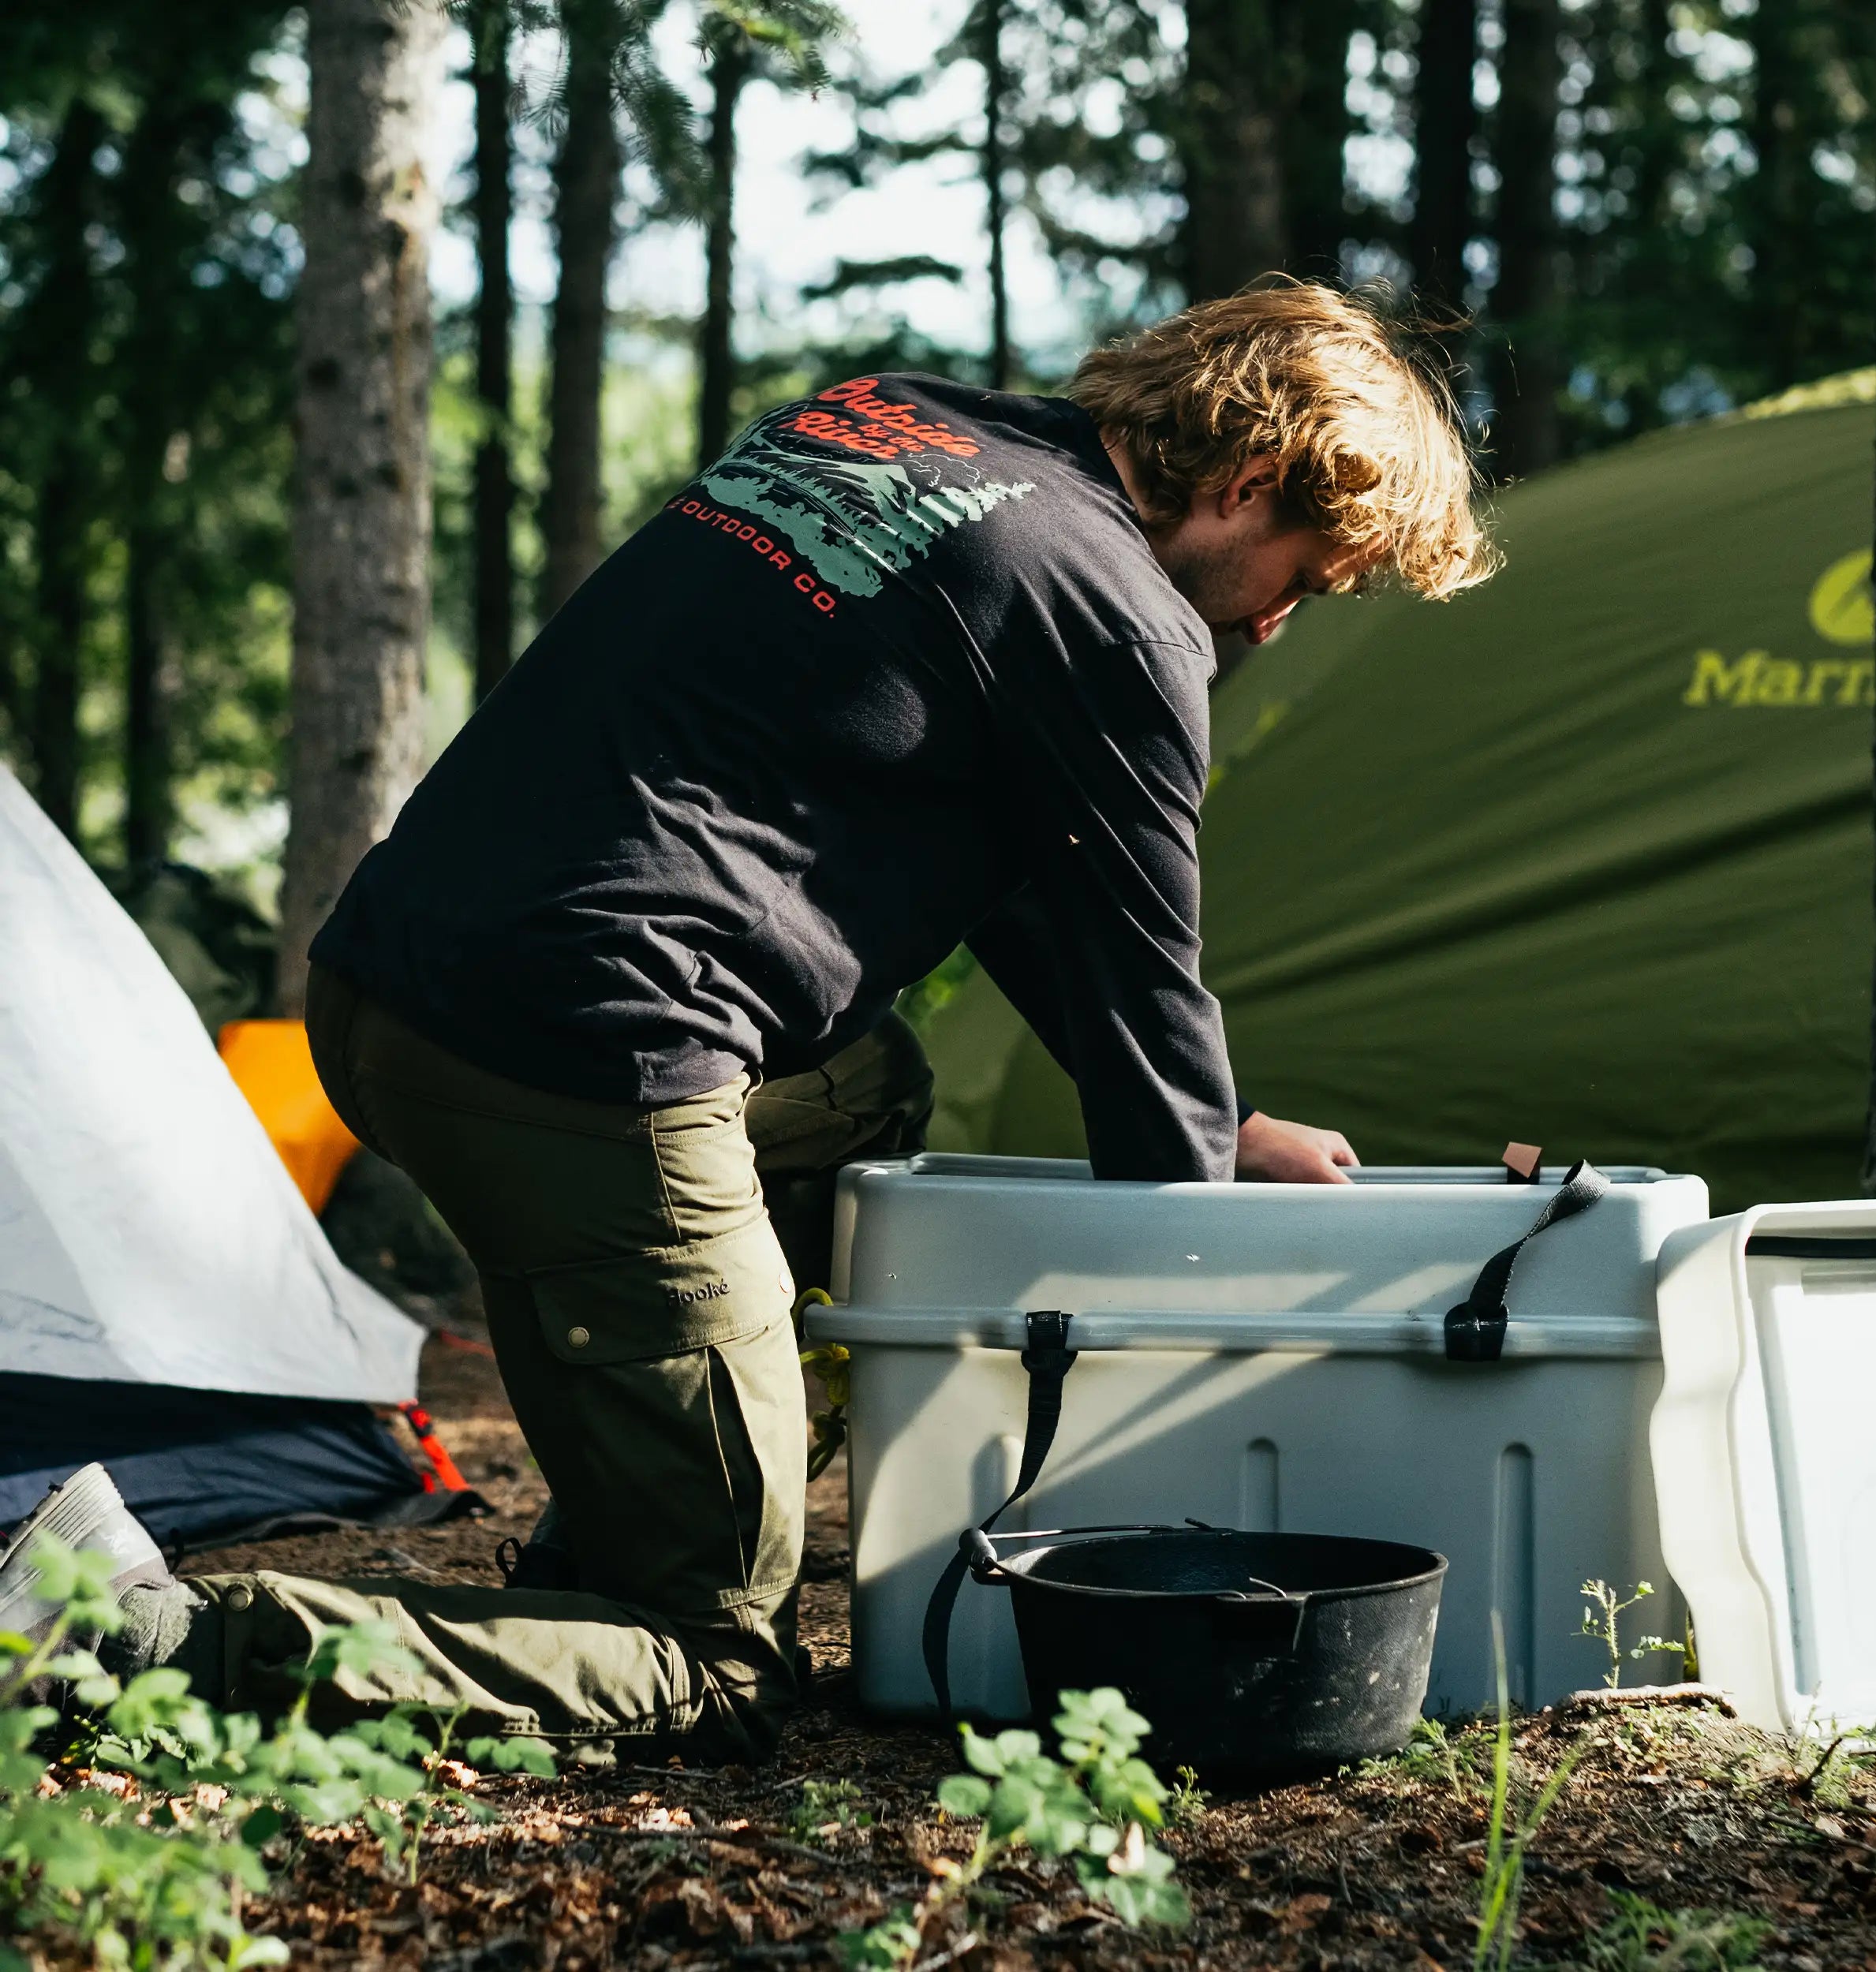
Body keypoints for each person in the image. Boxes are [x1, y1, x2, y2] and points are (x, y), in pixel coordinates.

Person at [0, 282, 1493, 1756]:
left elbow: (1050, 891)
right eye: (1314, 572)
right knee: (709, 1665)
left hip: (391, 990)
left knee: (863, 1094)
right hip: (588, 1067)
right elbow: (1144, 978)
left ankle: (619, 1539)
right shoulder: (1120, 617)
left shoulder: (888, 423)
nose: (1289, 620)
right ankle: (123, 1629)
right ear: (1243, 487)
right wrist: (1229, 1292)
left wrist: (1222, 1128)